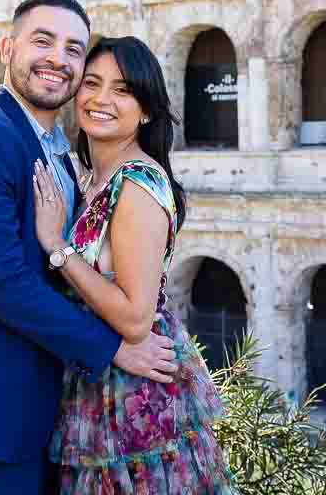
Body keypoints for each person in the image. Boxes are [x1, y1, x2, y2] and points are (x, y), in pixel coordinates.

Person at [0, 0, 180, 494]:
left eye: (74, 49)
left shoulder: (60, 151)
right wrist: (113, 347)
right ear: (8, 49)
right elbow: (1, 284)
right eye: (43, 41)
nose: (59, 59)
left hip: (45, 414)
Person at [32, 36, 236, 493]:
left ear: (146, 109)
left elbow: (135, 317)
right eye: (92, 82)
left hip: (132, 396)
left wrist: (54, 245)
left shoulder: (137, 184)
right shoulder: (91, 177)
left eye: (122, 90)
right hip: (99, 380)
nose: (101, 99)